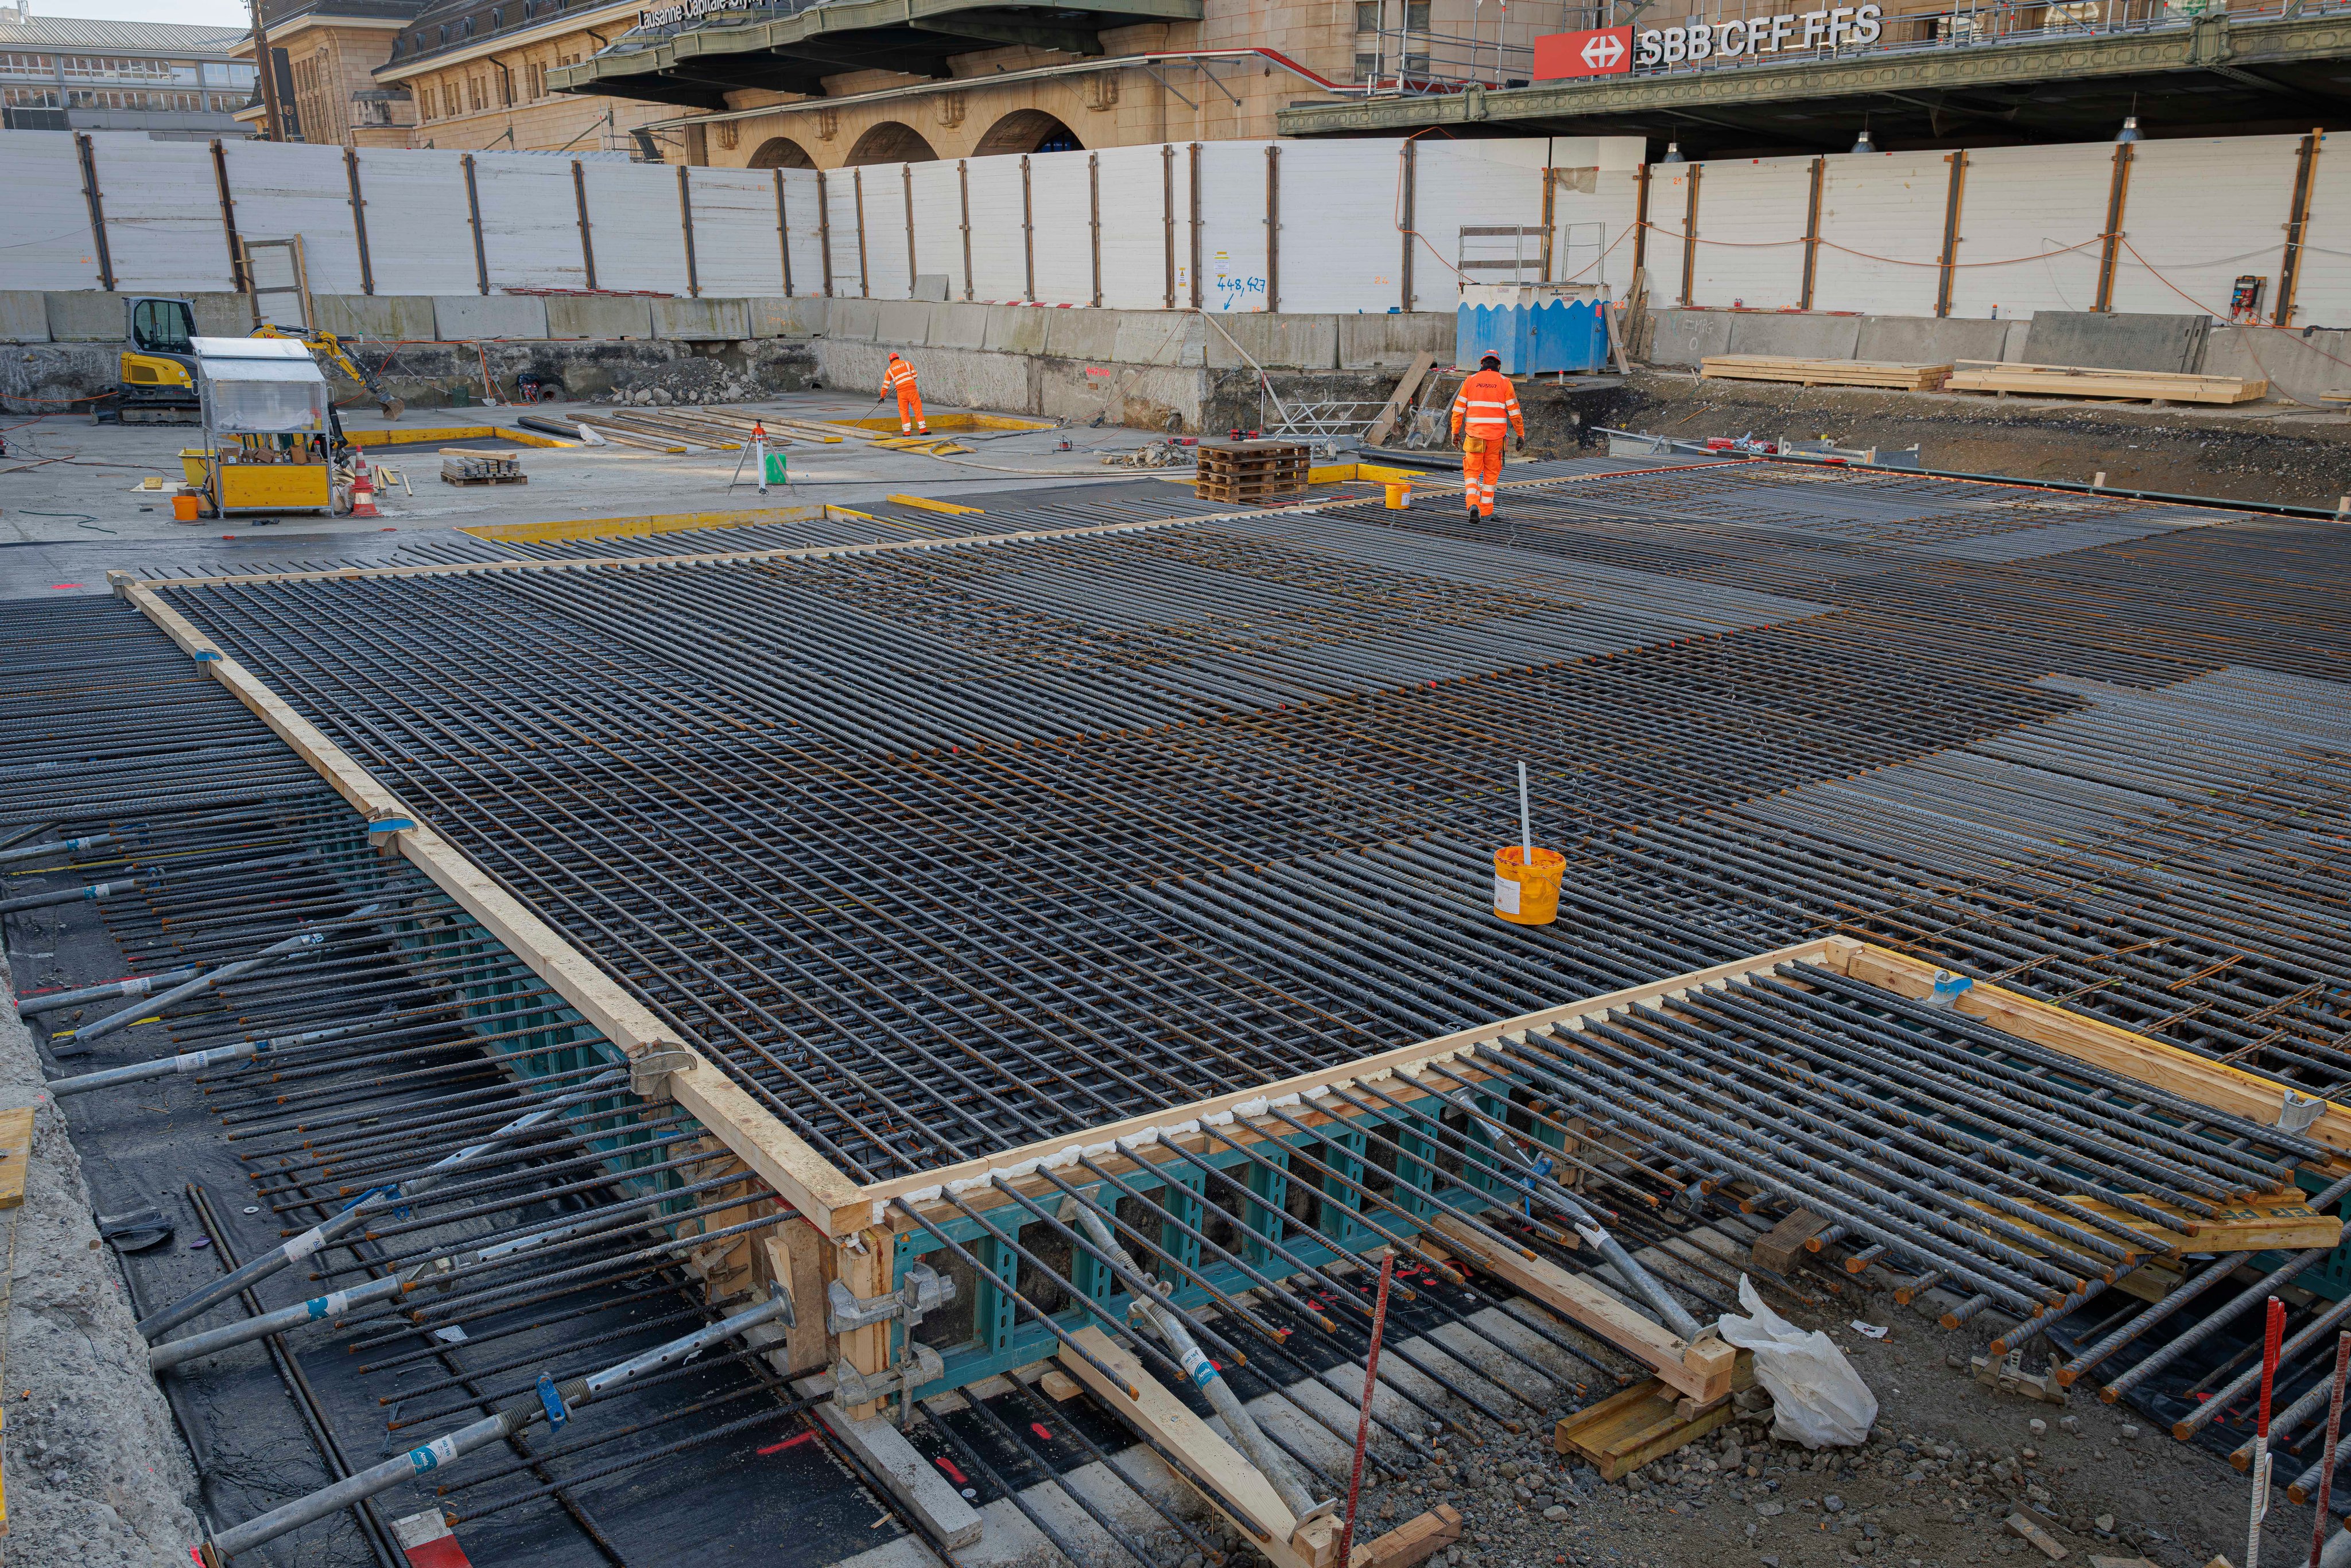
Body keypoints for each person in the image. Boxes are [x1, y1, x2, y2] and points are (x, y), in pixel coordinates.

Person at [1449, 352, 1524, 519]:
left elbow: (1458, 410)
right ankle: (1487, 512)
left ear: (1482, 364)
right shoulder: (1505, 383)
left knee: (1472, 473)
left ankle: (1473, 504)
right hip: (1496, 439)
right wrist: (1520, 434)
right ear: (1499, 366)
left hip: (1474, 436)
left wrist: (1455, 431)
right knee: (1491, 474)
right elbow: (1515, 413)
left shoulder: (1470, 381)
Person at [880, 352, 928, 435]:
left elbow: (886, 385)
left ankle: (907, 433)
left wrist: (882, 397)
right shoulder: (907, 363)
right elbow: (915, 375)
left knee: (904, 412)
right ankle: (923, 431)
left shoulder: (889, 370)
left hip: (901, 393)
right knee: (917, 410)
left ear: (890, 361)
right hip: (912, 390)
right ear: (898, 358)